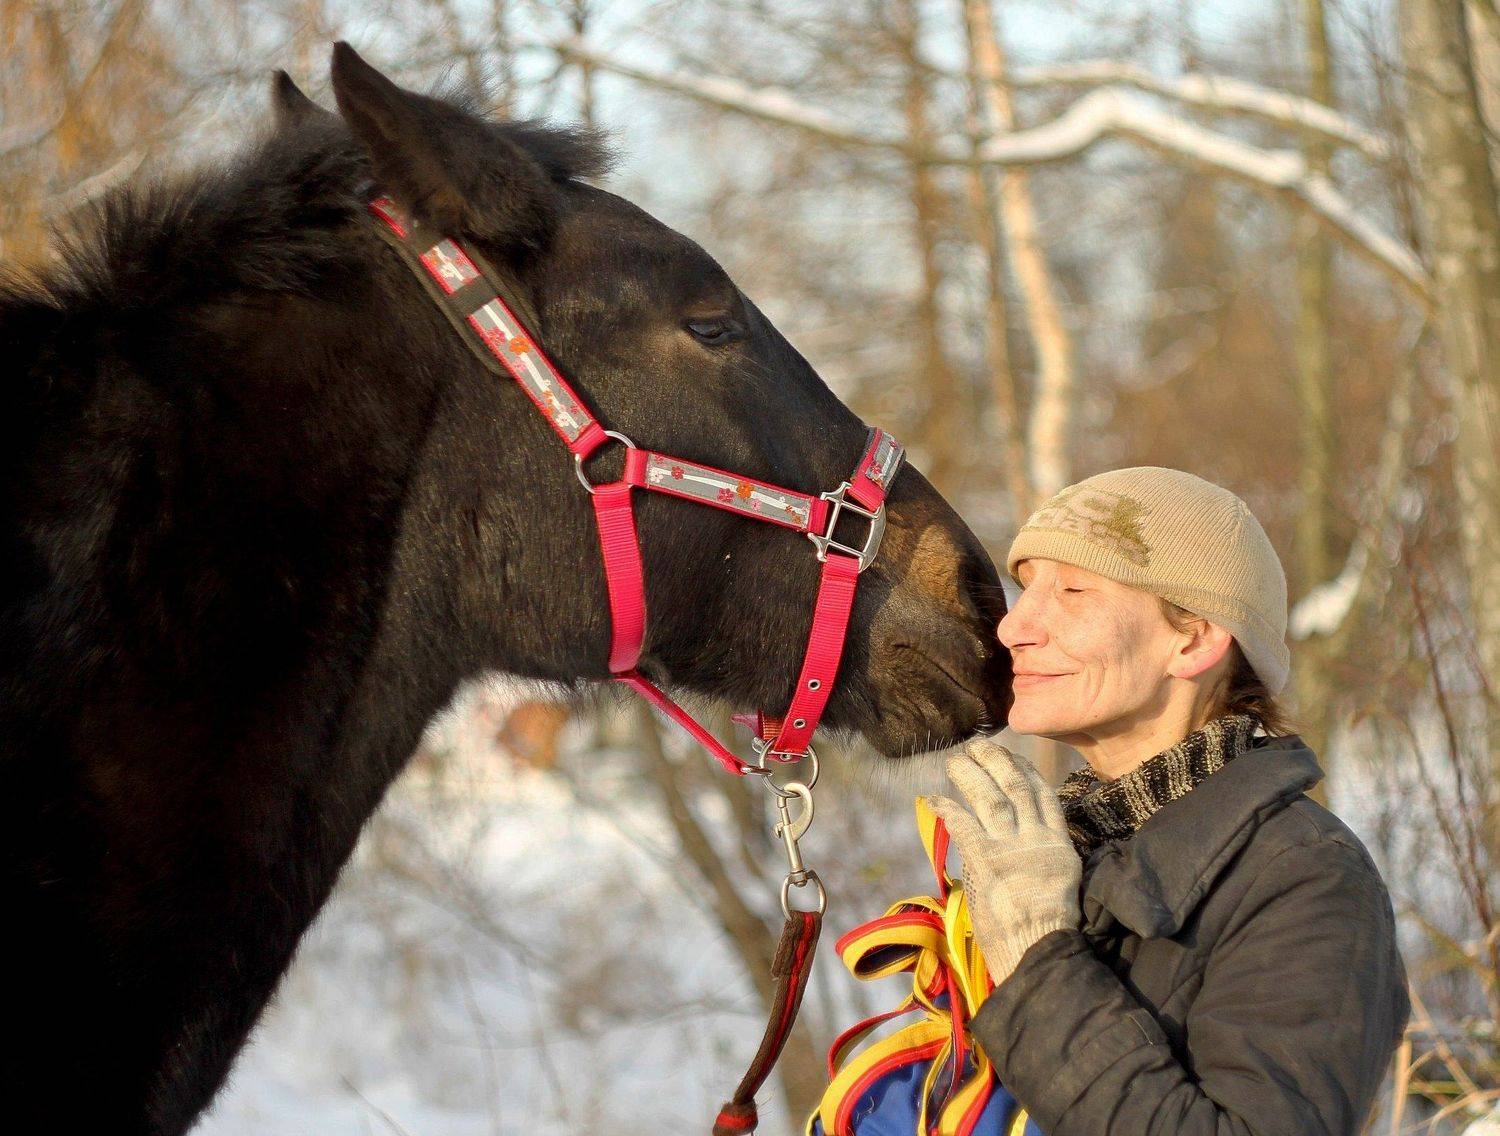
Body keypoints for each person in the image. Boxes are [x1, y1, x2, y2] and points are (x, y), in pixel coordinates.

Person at [926, 466, 1410, 1135]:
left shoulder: (1309, 878)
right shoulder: (1053, 855)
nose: (1014, 627)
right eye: (1027, 586)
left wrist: (1037, 959)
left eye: (1072, 589)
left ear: (1195, 638)